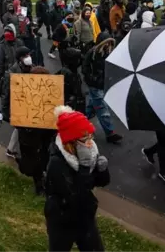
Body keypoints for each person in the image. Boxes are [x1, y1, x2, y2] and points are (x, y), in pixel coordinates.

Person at [44, 106, 110, 252]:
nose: (90, 142)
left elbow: (100, 182)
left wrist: (103, 171)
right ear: (71, 142)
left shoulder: (89, 150)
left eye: (90, 136)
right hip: (62, 221)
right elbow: (75, 196)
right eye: (85, 138)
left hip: (84, 218)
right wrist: (85, 169)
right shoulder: (57, 163)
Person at [82, 32, 123, 144]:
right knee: (102, 109)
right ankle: (110, 133)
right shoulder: (93, 52)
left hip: (102, 84)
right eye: (106, 42)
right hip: (95, 85)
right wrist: (92, 79)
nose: (108, 45)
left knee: (92, 105)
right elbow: (84, 67)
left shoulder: (107, 52)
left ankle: (81, 121)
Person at [1, 47, 34, 158]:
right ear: (20, 59)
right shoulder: (11, 73)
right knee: (20, 127)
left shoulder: (31, 69)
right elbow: (5, 94)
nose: (28, 57)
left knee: (20, 128)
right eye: (25, 56)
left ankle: (11, 149)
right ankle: (12, 150)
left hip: (28, 103)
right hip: (17, 105)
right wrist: (6, 112)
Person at [0, 24, 24, 97]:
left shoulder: (19, 42)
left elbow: (24, 55)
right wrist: (1, 76)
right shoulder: (2, 46)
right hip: (8, 75)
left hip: (19, 74)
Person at [56, 48, 85, 113]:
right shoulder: (71, 74)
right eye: (78, 58)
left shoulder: (65, 70)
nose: (80, 60)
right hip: (70, 107)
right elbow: (76, 92)